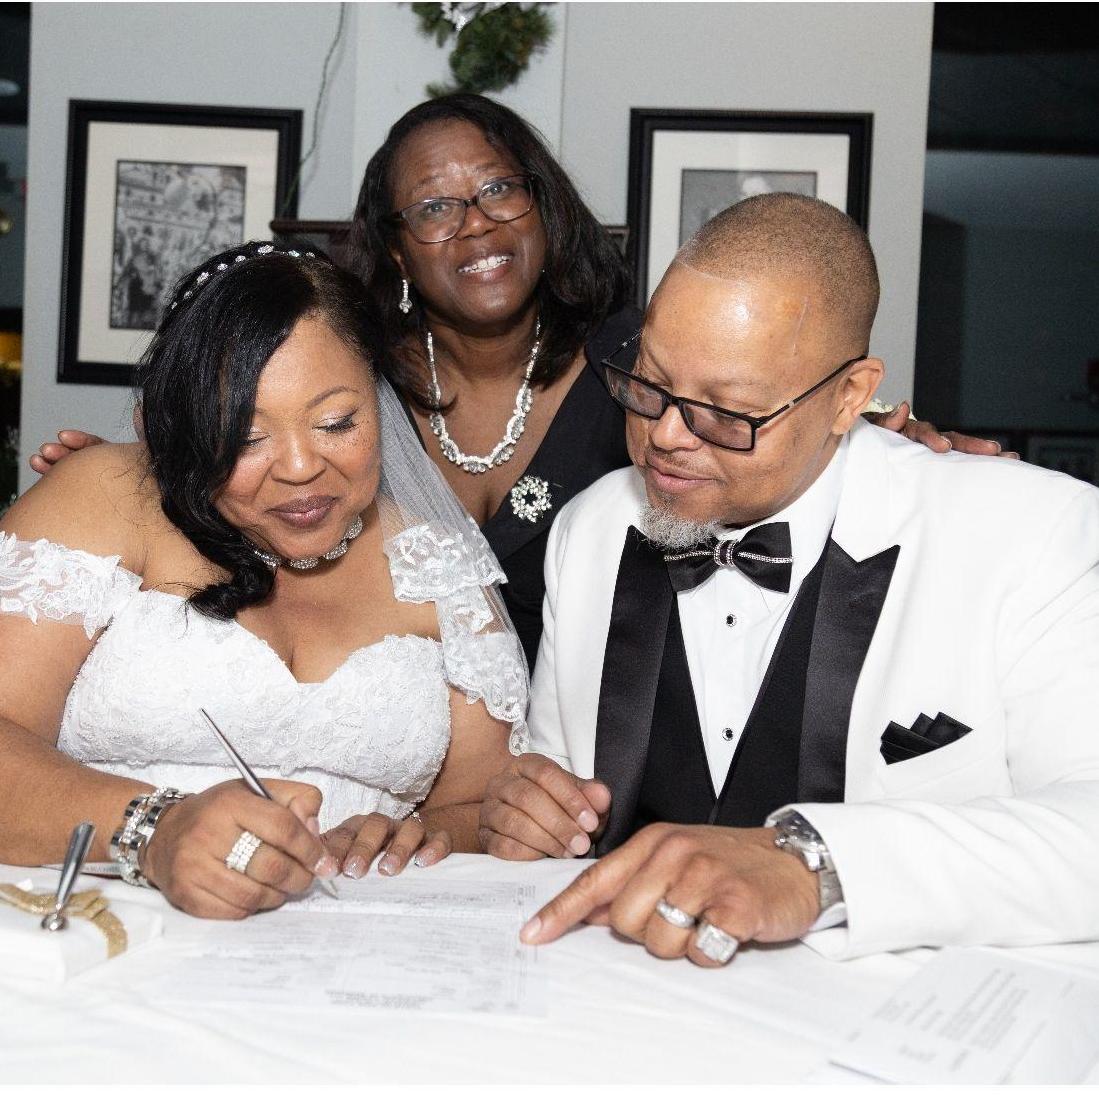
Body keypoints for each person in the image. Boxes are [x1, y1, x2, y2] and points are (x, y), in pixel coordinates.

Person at [29, 95, 1005, 672]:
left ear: (542, 203)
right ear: (398, 244)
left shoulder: (642, 362)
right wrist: (136, 476)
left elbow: (778, 418)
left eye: (499, 188)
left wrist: (887, 445)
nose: (477, 222)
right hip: (420, 756)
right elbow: (252, 440)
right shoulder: (353, 377)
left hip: (621, 736)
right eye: (435, 206)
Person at [479, 193, 1099, 966]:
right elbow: (553, 782)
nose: (665, 436)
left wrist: (817, 864)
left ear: (847, 397)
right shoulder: (591, 528)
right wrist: (524, 811)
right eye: (648, 383)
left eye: (726, 411)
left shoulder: (1029, 532)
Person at [0, 241, 526, 919]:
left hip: (359, 960)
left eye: (337, 422)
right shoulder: (102, 496)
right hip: (107, 937)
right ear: (188, 425)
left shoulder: (441, 567)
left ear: (380, 396)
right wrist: (154, 831)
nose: (302, 467)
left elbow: (478, 805)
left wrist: (424, 834)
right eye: (247, 437)